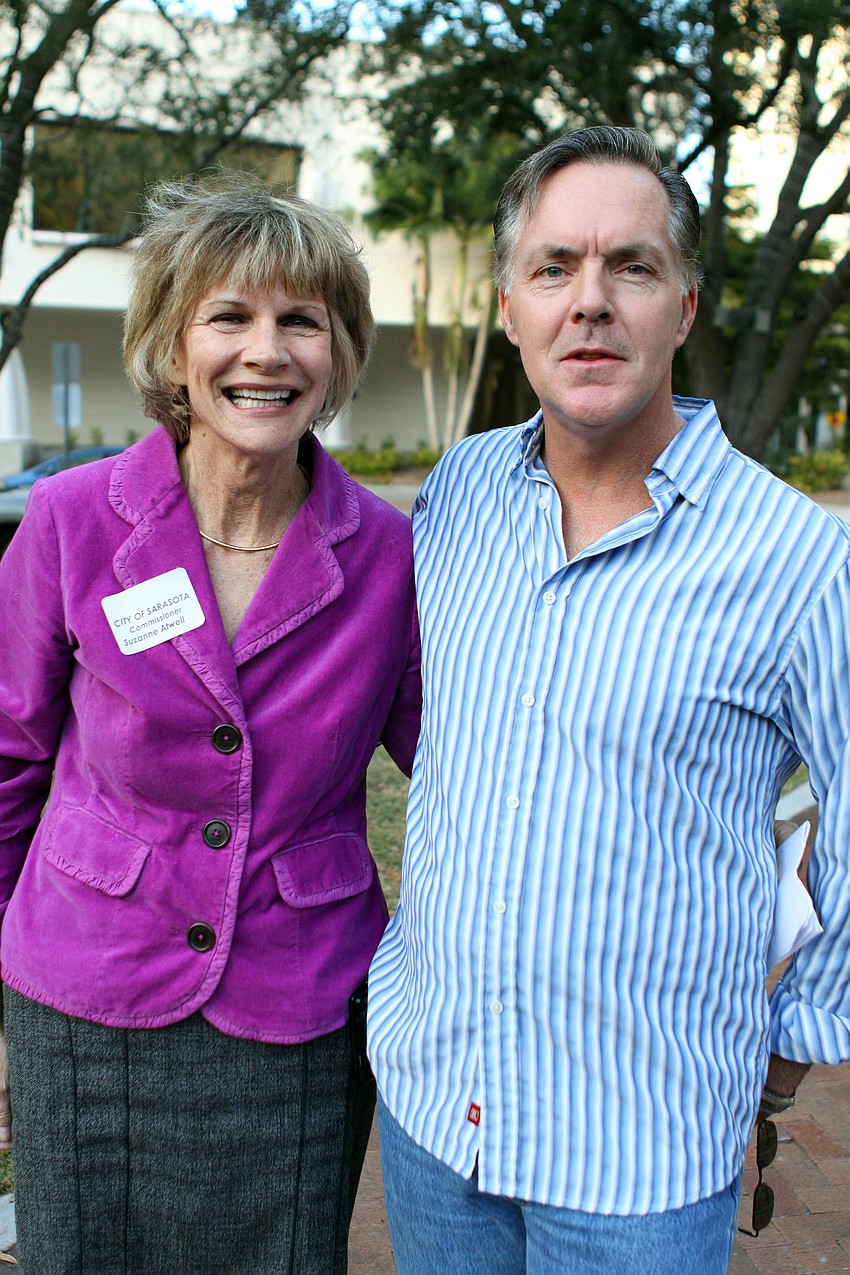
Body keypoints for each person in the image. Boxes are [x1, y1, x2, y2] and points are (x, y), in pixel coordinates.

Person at [367, 126, 850, 1273]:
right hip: (434, 1114)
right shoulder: (460, 494)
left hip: (637, 1158)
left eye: (629, 266)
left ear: (682, 306)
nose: (589, 302)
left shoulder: (793, 560)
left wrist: (796, 1033)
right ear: (509, 307)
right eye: (554, 268)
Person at [0, 175, 420, 1274]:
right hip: (84, 988)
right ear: (173, 344)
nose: (265, 351)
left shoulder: (389, 555)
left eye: (300, 321)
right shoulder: (69, 521)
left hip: (297, 998)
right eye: (229, 316)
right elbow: (5, 756)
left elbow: (460, 769)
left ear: (336, 353)